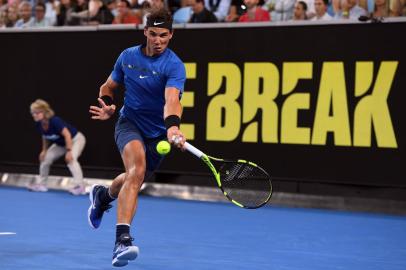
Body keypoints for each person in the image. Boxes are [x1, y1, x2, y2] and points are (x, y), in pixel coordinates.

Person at [88, 8, 186, 267]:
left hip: (158, 133)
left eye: (163, 35)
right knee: (137, 169)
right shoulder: (128, 57)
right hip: (129, 123)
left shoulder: (174, 65)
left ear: (171, 34)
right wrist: (108, 104)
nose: (158, 40)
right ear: (145, 32)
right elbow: (108, 87)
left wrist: (173, 127)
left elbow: (171, 100)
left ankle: (103, 196)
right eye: (153, 34)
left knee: (135, 177)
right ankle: (122, 241)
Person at [29, 99, 87, 195]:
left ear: (44, 111)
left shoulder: (55, 121)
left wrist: (69, 151)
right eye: (33, 113)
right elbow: (45, 136)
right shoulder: (38, 124)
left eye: (37, 112)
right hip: (61, 144)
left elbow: (67, 135)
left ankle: (80, 187)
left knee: (70, 159)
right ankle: (42, 185)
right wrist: (44, 150)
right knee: (45, 159)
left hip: (76, 140)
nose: (34, 115)